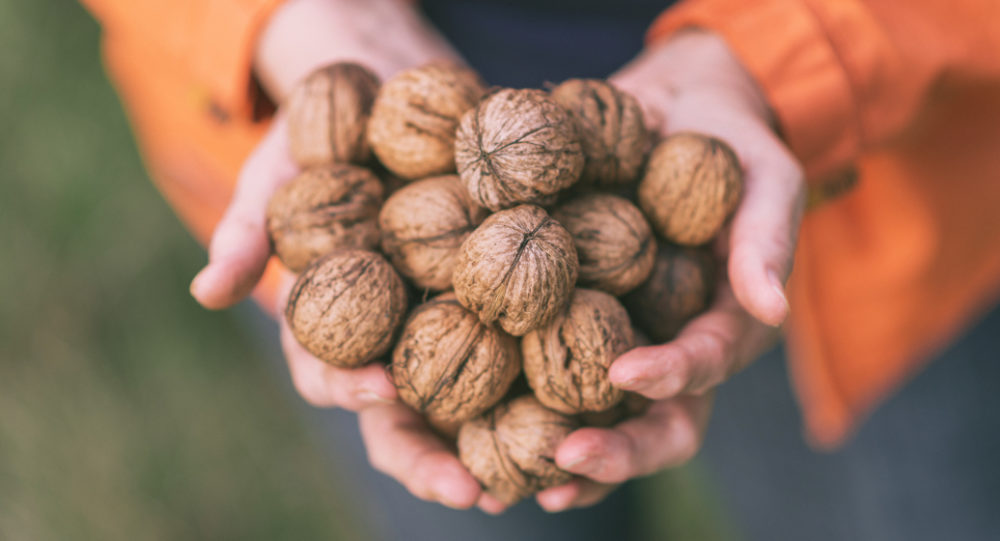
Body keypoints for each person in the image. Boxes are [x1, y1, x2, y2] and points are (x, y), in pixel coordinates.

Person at [79, 0, 1000, 538]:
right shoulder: (410, 231)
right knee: (462, 493)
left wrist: (792, 49)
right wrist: (288, 17)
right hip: (340, 108)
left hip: (884, 209)